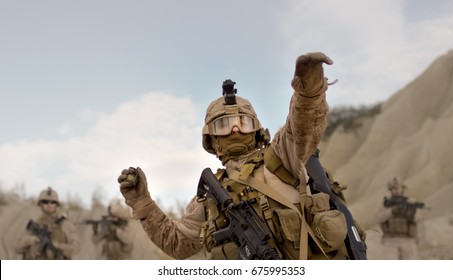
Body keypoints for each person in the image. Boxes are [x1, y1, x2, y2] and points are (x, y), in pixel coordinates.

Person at [118, 52, 352, 260]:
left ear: (257, 130)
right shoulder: (209, 199)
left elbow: (303, 125)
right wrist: (142, 203)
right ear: (212, 139)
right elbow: (178, 243)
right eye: (224, 125)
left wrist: (309, 90)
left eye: (244, 122)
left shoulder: (282, 156)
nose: (235, 129)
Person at [15, 186, 80, 260]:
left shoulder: (66, 224)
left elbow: (76, 248)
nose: (49, 205)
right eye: (46, 202)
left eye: (53, 202)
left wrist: (57, 246)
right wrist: (31, 240)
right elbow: (18, 248)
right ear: (40, 204)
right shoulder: (35, 225)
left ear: (57, 205)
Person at [376, 177, 423, 259]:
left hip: (408, 240)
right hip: (390, 241)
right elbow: (378, 218)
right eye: (394, 188)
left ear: (402, 188)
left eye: (398, 188)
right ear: (390, 190)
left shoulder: (410, 202)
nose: (397, 190)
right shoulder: (385, 204)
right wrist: (392, 211)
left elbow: (418, 217)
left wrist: (408, 213)